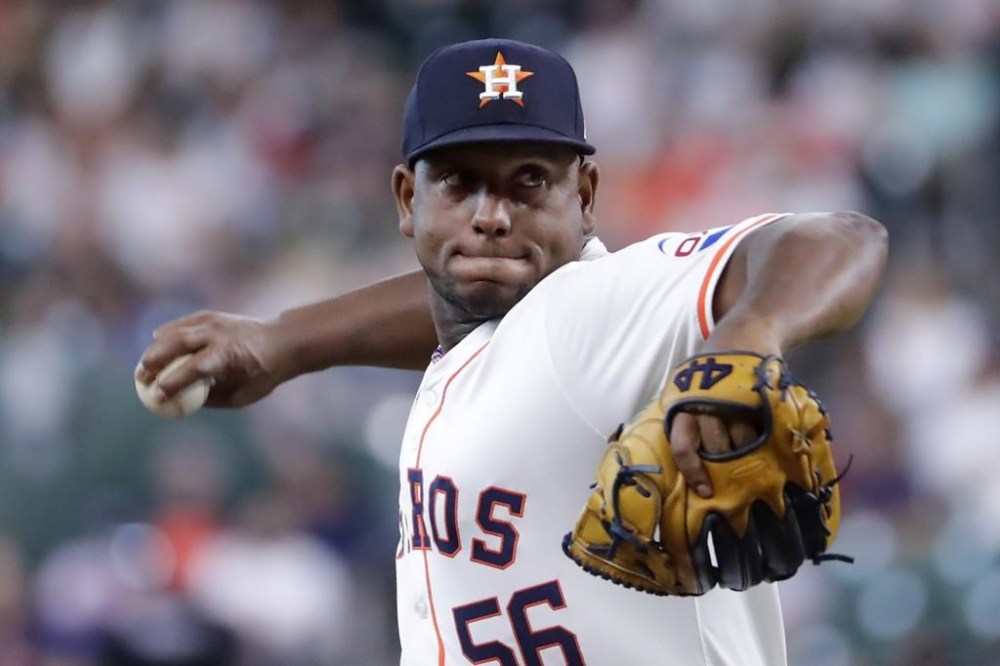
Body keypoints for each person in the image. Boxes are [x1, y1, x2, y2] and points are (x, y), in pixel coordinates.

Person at [137, 38, 888, 665]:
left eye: (528, 182)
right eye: (460, 184)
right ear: (407, 199)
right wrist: (285, 343)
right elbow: (459, 316)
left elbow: (833, 238)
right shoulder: (495, 341)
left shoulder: (592, 312)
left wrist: (748, 337)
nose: (492, 216)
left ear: (586, 196)